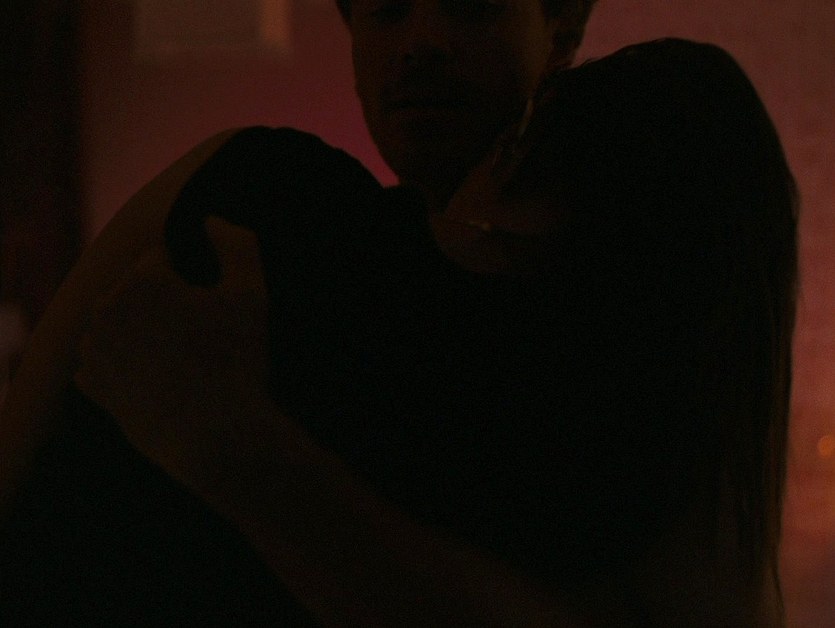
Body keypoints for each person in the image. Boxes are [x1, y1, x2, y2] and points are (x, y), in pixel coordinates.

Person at [1, 5, 797, 628]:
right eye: (384, 8)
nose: (420, 42)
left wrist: (235, 451)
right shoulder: (255, 194)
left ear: (559, 27)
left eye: (470, 4)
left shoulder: (614, 347)